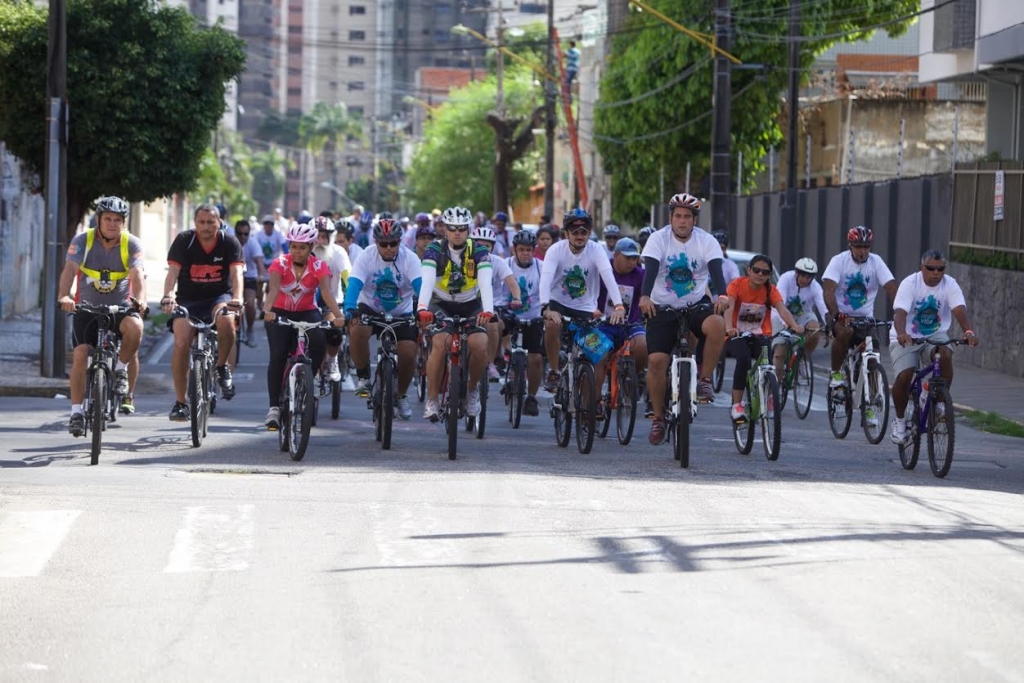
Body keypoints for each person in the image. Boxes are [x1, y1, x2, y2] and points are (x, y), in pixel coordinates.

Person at [638, 192, 728, 445]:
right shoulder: (658, 239)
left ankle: (705, 380)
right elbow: (651, 269)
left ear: (694, 220)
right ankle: (658, 418)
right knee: (656, 361)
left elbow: (716, 271)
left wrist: (722, 295)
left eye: (687, 216)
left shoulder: (706, 241)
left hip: (695, 304)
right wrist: (645, 296)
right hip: (662, 306)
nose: (682, 221)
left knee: (717, 324)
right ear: (671, 218)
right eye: (678, 216)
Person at [58, 196, 147, 433]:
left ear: (124, 222)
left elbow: (137, 274)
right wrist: (64, 295)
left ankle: (120, 370)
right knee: (80, 356)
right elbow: (69, 270)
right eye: (108, 218)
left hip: (120, 309)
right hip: (87, 308)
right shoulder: (83, 240)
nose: (112, 224)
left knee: (136, 328)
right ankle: (76, 413)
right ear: (98, 219)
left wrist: (140, 300)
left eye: (117, 220)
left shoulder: (132, 243)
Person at [160, 204, 244, 421]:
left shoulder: (229, 242)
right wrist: (168, 295)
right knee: (181, 343)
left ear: (219, 222)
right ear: (195, 223)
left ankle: (221, 366)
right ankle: (181, 403)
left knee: (227, 321)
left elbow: (236, 274)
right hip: (188, 300)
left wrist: (237, 298)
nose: (206, 227)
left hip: (219, 298)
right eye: (202, 222)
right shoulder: (184, 240)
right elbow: (172, 273)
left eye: (210, 222)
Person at [888, 250, 979, 444]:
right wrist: (902, 333)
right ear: (922, 268)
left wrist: (968, 331)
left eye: (940, 269)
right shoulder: (910, 283)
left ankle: (938, 402)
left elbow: (959, 309)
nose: (936, 273)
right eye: (931, 268)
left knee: (944, 354)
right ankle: (900, 421)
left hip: (934, 334)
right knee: (905, 376)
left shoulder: (950, 284)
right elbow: (900, 312)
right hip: (906, 335)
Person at [262, 223, 346, 429]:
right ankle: (274, 408)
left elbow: (326, 292)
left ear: (311, 247)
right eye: (294, 246)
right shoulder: (280, 263)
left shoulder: (319, 266)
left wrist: (338, 316)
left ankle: (310, 379)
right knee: (278, 354)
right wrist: (267, 311)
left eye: (302, 247)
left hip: (307, 311)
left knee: (319, 342)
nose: (297, 251)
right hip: (279, 311)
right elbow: (273, 289)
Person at [416, 206, 495, 421]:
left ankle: (471, 390)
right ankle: (432, 399)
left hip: (471, 303)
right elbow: (427, 281)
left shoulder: (479, 251)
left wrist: (488, 310)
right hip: (441, 303)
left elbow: (485, 283)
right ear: (445, 230)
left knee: (480, 344)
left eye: (461, 228)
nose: (457, 232)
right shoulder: (434, 250)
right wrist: (422, 308)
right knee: (440, 343)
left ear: (468, 229)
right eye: (452, 228)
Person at [344, 218, 425, 420]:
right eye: (383, 244)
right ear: (376, 242)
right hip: (370, 308)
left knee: (409, 352)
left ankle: (401, 395)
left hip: (401, 312)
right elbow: (354, 284)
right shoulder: (366, 256)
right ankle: (363, 376)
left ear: (400, 241)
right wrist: (349, 308)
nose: (388, 248)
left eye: (393, 243)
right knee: (356, 329)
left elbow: (420, 287)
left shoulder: (410, 258)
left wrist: (424, 309)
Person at [540, 208, 625, 394]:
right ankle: (554, 371)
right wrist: (545, 307)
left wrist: (619, 305)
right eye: (575, 231)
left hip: (585, 309)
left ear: (590, 232)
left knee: (601, 353)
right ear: (566, 233)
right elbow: (545, 278)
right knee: (552, 324)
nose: (580, 236)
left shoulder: (596, 250)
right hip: (558, 304)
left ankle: (591, 401)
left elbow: (608, 276)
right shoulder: (555, 250)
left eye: (584, 232)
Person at [722, 254, 804, 423]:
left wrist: (794, 325)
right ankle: (737, 405)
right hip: (737, 335)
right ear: (749, 271)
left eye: (765, 272)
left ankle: (769, 396)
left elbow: (782, 309)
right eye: (756, 270)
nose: (760, 274)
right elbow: (729, 308)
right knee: (743, 360)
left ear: (769, 275)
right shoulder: (737, 285)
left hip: (761, 335)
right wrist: (729, 328)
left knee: (770, 363)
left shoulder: (770, 290)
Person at [822, 225, 897, 403]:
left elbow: (891, 288)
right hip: (840, 314)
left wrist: (900, 313)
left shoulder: (876, 262)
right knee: (845, 332)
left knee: (874, 356)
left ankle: (872, 398)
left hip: (865, 318)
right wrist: (836, 315)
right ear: (850, 246)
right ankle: (836, 375)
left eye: (866, 247)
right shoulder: (839, 261)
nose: (862, 251)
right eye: (858, 247)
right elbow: (828, 291)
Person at [596, 237, 649, 417]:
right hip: (603, 324)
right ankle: (595, 401)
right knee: (599, 354)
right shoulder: (603, 271)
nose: (632, 262)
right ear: (616, 255)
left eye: (635, 258)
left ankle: (632, 376)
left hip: (630, 324)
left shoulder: (641, 275)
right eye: (628, 258)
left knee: (643, 346)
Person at [471, 225, 522, 382]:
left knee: (494, 324)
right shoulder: (464, 261)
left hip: (493, 306)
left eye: (487, 246)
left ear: (492, 248)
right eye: (479, 245)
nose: (483, 249)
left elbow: (512, 282)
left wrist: (517, 298)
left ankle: (490, 363)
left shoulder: (497, 262)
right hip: (469, 305)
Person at [502, 229, 545, 416]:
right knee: (495, 327)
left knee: (536, 359)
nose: (525, 253)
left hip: (533, 317)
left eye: (529, 250)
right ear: (514, 250)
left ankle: (531, 397)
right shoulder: (505, 265)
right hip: (508, 315)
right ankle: (502, 361)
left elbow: (549, 290)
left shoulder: (541, 267)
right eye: (521, 249)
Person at [312, 216, 352, 383]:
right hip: (306, 302)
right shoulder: (302, 250)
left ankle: (332, 361)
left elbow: (348, 278)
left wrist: (353, 301)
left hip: (332, 302)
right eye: (317, 236)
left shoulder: (339, 252)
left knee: (334, 332)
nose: (321, 241)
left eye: (325, 237)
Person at [770, 257, 826, 375]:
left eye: (809, 277)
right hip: (780, 314)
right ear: (796, 273)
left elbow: (823, 308)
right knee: (780, 351)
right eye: (803, 276)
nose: (805, 280)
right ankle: (776, 382)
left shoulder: (815, 287)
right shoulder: (786, 278)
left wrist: (830, 324)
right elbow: (780, 303)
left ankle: (802, 359)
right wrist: (787, 323)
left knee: (815, 329)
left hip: (802, 315)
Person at [235, 219, 266, 348]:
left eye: (246, 234)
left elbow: (260, 263)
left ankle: (250, 329)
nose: (243, 237)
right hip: (232, 278)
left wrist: (261, 275)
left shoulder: (253, 244)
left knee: (250, 303)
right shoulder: (230, 243)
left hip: (249, 278)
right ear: (235, 233)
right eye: (240, 234)